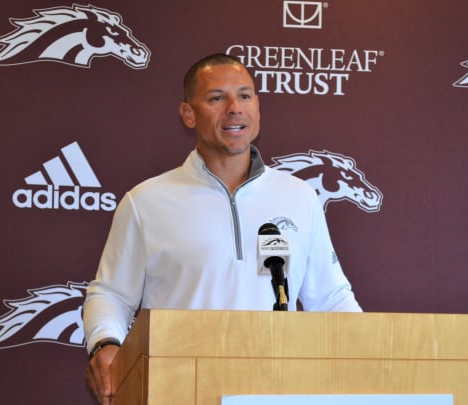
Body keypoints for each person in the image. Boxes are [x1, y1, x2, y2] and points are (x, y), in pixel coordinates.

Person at [83, 53, 362, 404]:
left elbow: (332, 299)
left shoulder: (299, 197)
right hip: (178, 388)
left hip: (275, 390)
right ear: (188, 113)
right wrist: (106, 343)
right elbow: (111, 294)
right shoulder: (146, 201)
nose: (234, 108)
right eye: (217, 98)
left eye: (244, 96)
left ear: (257, 106)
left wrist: (375, 358)